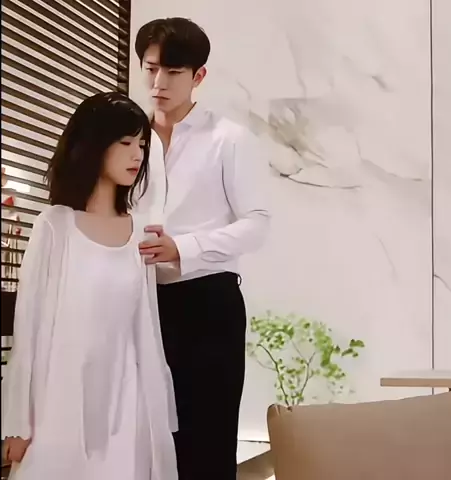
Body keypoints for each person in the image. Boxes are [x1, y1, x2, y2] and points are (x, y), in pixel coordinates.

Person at [1, 92, 178, 480]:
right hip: (61, 397)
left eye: (142, 145)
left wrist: (157, 412)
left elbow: (148, 328)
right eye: (126, 142)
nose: (137, 155)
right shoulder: (55, 226)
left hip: (126, 401)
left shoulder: (141, 233)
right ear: (95, 145)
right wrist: (18, 422)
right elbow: (28, 329)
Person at [134, 17, 271, 480]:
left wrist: (183, 248)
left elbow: (257, 224)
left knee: (206, 441)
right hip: (137, 304)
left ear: (198, 76)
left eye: (173, 72)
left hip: (206, 304)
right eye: (151, 68)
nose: (159, 82)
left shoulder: (229, 139)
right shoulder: (128, 140)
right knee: (140, 439)